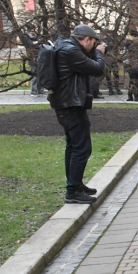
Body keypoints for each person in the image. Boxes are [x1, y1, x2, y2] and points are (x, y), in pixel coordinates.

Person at [48, 24, 106, 204]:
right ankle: (73, 190)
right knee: (81, 147)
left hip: (69, 104)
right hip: (69, 105)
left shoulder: (66, 46)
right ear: (87, 40)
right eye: (94, 43)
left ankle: (76, 184)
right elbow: (97, 68)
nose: (95, 47)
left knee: (73, 146)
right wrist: (99, 53)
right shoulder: (70, 51)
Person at [124, 25, 138, 101]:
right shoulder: (134, 43)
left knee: (133, 80)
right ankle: (137, 96)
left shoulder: (128, 43)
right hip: (135, 63)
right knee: (136, 79)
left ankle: (130, 96)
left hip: (132, 63)